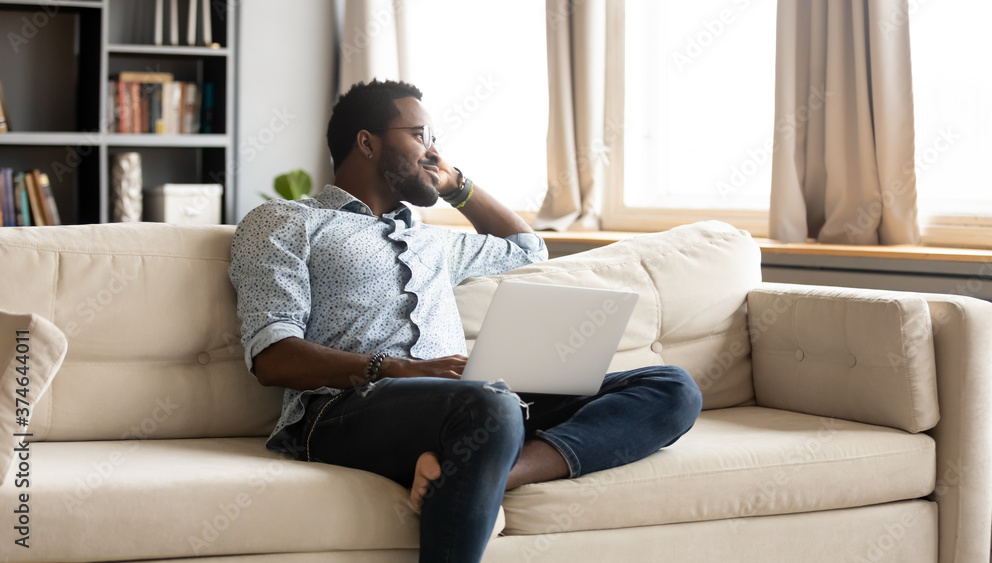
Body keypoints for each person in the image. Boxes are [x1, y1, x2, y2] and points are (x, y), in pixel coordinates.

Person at [228, 79, 703, 562]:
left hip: (468, 402)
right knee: (491, 406)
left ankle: (481, 468)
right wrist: (395, 368)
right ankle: (478, 455)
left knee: (671, 387)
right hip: (344, 410)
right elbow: (272, 357)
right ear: (367, 142)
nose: (433, 151)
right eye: (419, 135)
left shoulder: (434, 241)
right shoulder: (285, 221)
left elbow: (527, 249)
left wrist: (457, 185)